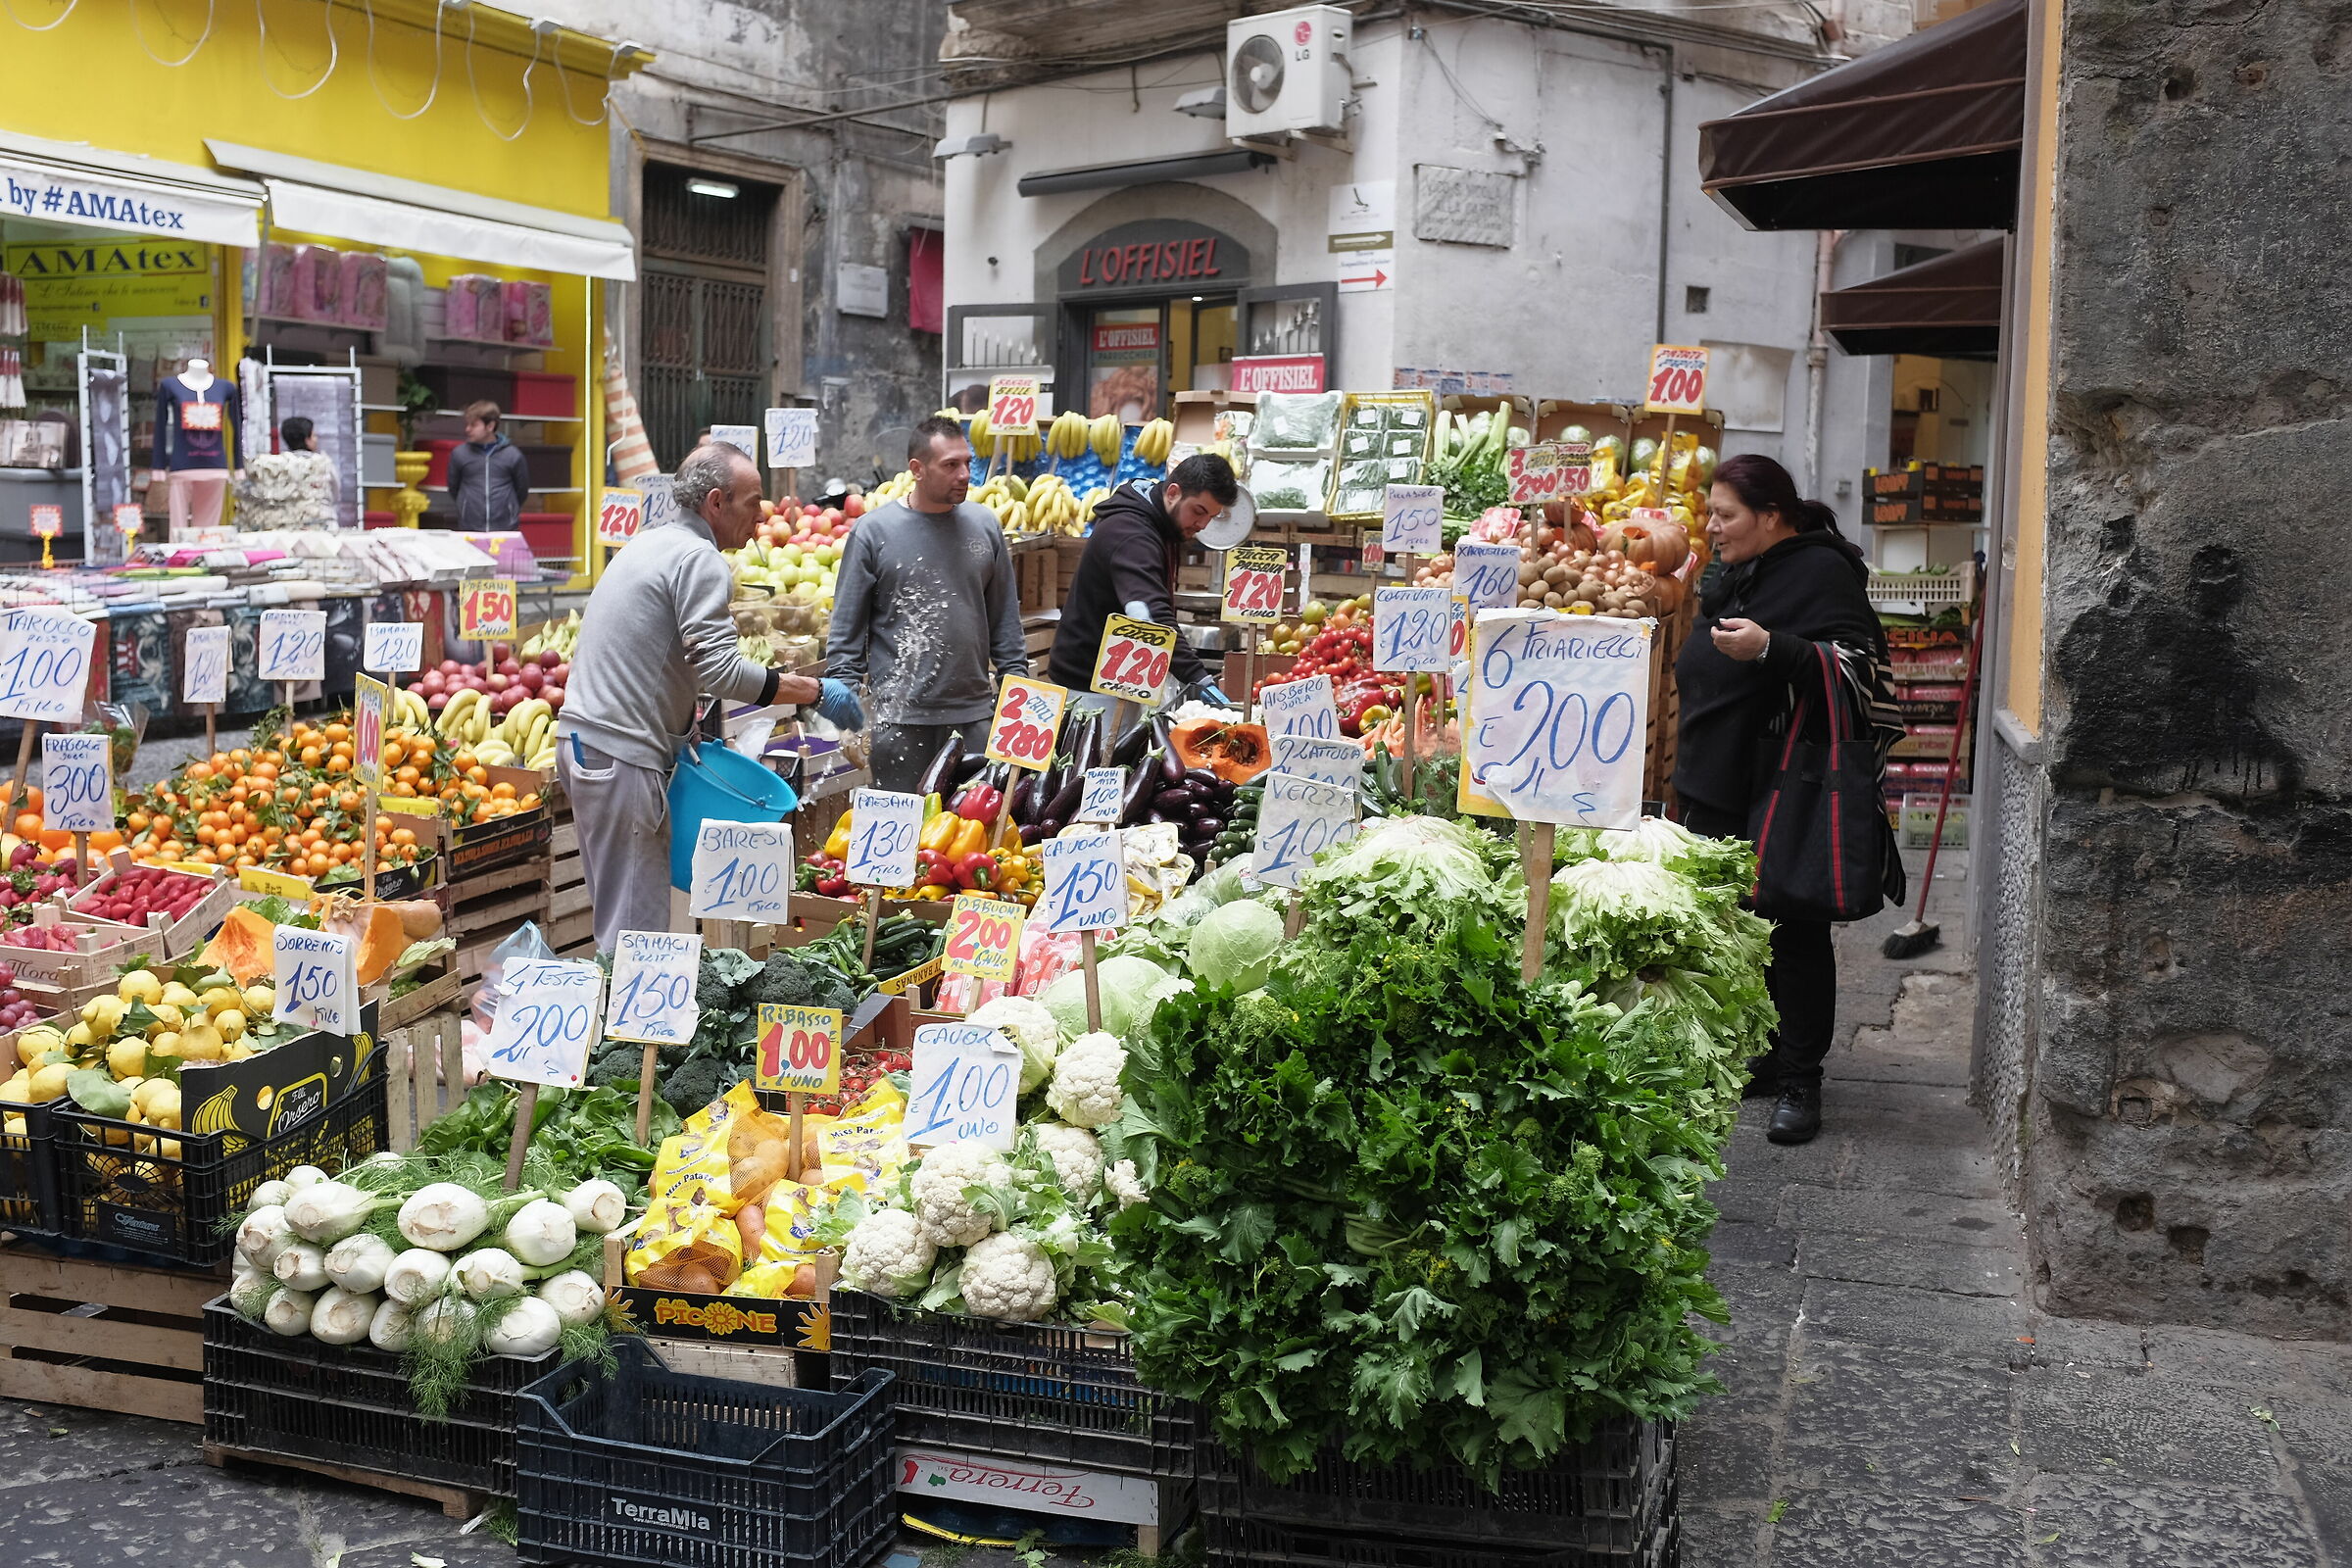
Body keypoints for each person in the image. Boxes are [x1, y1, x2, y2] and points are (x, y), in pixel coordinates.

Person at [1673, 453, 1897, 1147]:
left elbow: (1864, 673)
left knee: (1794, 932)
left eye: (1725, 515)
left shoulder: (1821, 571)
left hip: (1782, 786)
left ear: (1771, 516)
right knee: (1741, 930)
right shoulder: (1742, 571)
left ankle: (1803, 1079)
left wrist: (1773, 649)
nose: (1712, 527)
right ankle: (1769, 1055)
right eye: (1710, 514)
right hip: (1716, 779)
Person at [557, 442, 862, 948]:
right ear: (716, 502)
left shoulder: (649, 543)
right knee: (636, 935)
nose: (762, 515)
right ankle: (626, 1003)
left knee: (619, 917)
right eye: (753, 501)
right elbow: (720, 670)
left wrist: (683, 724)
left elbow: (658, 656)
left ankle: (617, 996)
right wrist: (812, 690)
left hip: (586, 748)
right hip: (621, 758)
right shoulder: (700, 559)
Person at [825, 415, 1030, 793]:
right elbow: (846, 631)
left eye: (967, 463)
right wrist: (845, 702)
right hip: (900, 721)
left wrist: (1019, 695)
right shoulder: (873, 532)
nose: (964, 474)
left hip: (975, 718)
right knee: (904, 828)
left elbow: (1005, 621)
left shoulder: (985, 526)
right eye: (950, 465)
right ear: (917, 469)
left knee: (974, 826)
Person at [1047, 453, 1239, 706]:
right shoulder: (1131, 534)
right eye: (1198, 511)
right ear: (1173, 493)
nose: (1202, 525)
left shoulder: (1160, 520)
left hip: (1121, 680)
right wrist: (1199, 679)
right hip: (1088, 689)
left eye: (1211, 517)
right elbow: (1150, 614)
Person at [445, 400, 532, 531]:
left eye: (473, 425)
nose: (467, 429)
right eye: (467, 424)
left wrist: (509, 509)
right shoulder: (459, 454)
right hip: (470, 527)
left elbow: (521, 490)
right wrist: (465, 507)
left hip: (505, 528)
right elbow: (454, 488)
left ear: (490, 426)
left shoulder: (513, 455)